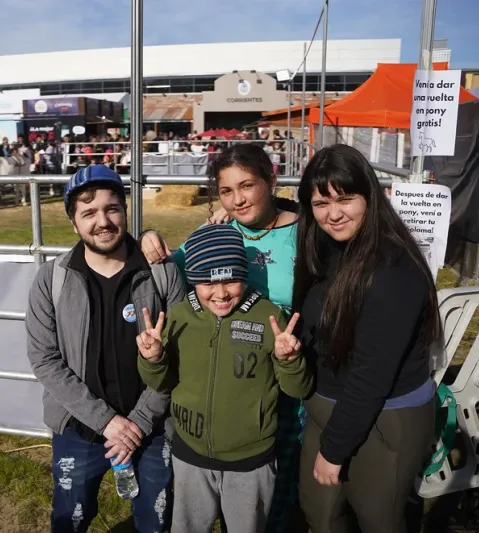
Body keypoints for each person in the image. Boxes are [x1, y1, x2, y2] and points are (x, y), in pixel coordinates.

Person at [139, 143, 305, 531]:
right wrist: (148, 234)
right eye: (226, 191)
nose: (237, 199)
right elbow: (178, 262)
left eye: (246, 186)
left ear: (272, 180)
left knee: (272, 492)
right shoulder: (218, 230)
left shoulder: (306, 231)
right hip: (233, 378)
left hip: (289, 365)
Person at [26, 165, 185, 533]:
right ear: (73, 222)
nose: (103, 221)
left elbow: (180, 352)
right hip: (79, 428)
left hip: (153, 427)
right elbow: (44, 359)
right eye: (89, 213)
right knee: (71, 520)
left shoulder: (162, 273)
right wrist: (109, 423)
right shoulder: (52, 279)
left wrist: (140, 423)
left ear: (126, 211)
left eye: (112, 209)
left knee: (156, 522)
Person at [293, 144, 439, 533]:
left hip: (385, 417)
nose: (333, 213)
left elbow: (371, 375)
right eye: (321, 203)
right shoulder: (327, 246)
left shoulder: (393, 269)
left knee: (378, 520)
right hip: (330, 408)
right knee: (320, 514)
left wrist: (334, 450)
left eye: (345, 198)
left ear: (370, 197)